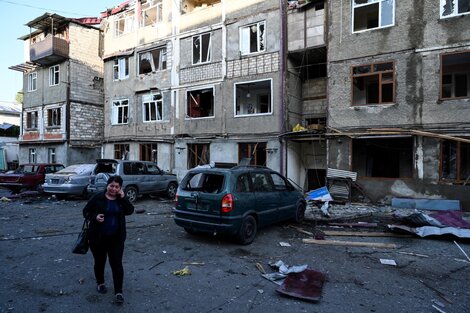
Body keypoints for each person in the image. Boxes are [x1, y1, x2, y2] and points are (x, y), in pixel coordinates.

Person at [83, 175, 134, 305]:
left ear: (120, 188)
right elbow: (86, 212)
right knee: (100, 262)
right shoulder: (98, 197)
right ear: (107, 185)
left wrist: (123, 198)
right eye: (111, 185)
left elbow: (130, 211)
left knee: (117, 264)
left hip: (116, 238)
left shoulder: (120, 199)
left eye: (117, 187)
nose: (113, 189)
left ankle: (118, 292)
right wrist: (95, 217)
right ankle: (100, 283)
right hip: (98, 238)